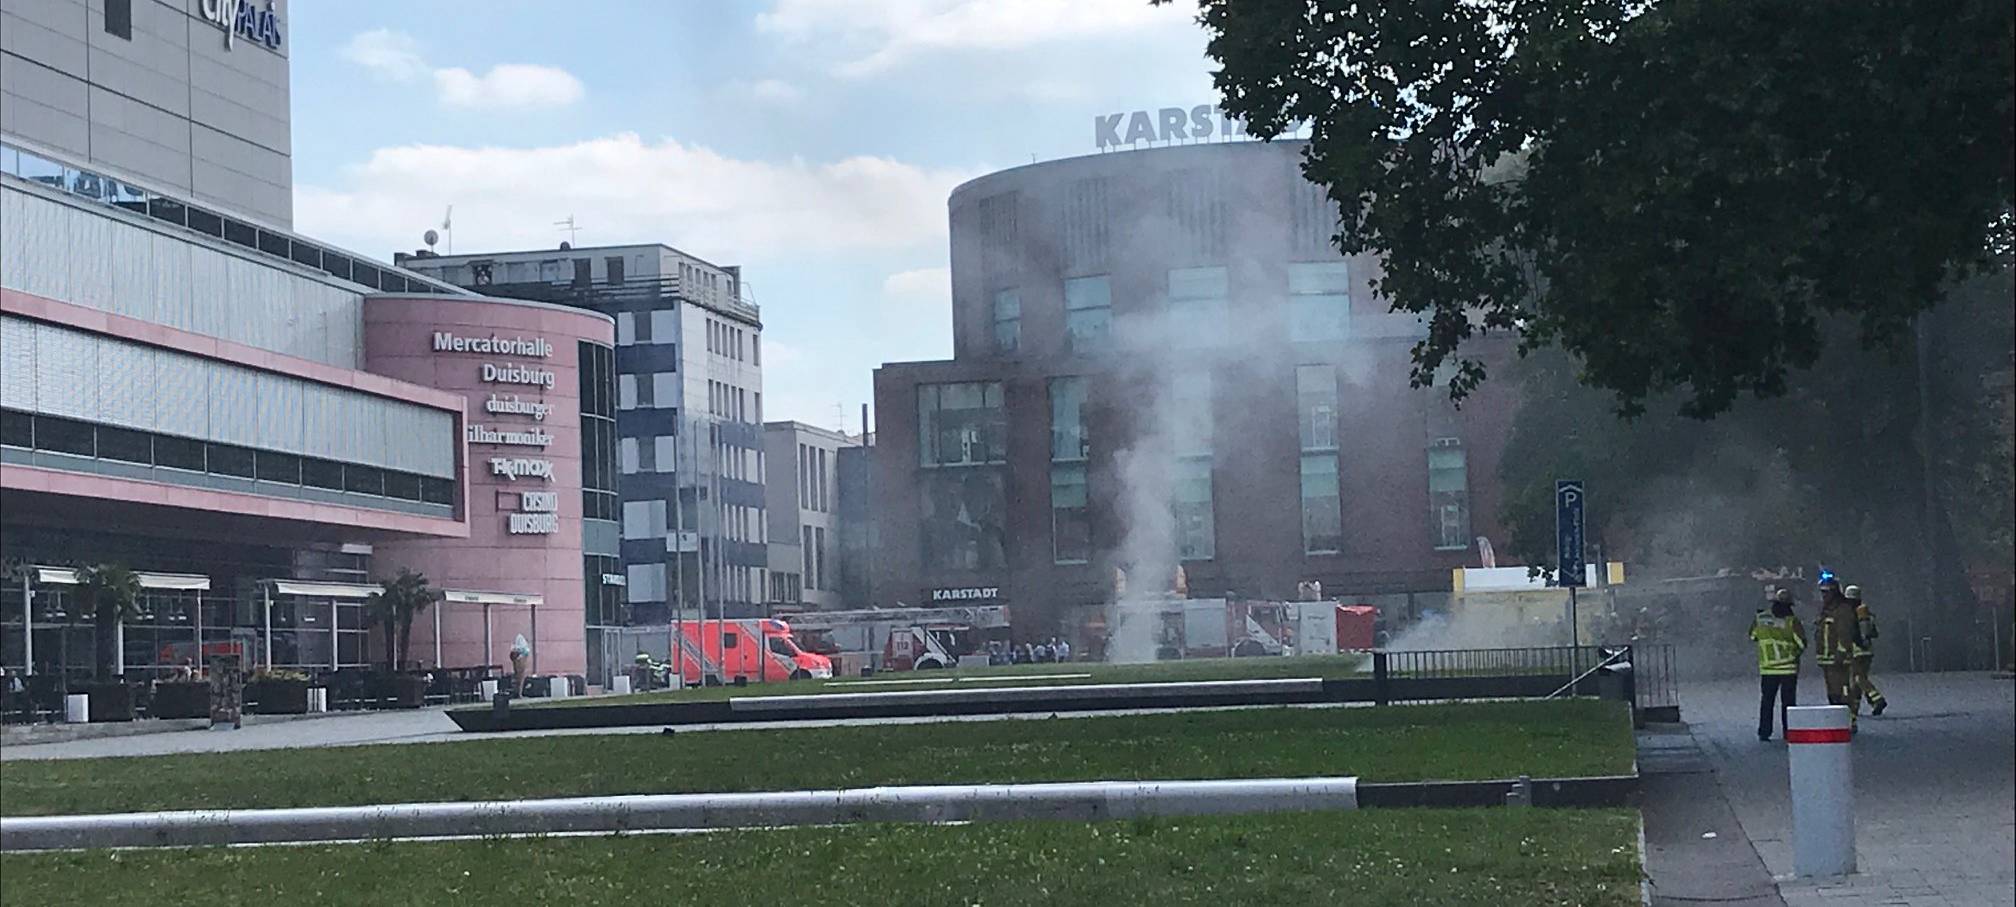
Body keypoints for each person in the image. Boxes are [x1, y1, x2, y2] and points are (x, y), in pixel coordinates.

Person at [1750, 587, 1806, 740]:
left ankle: (1764, 732)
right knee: (1788, 703)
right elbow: (1801, 643)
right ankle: (1789, 732)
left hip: (1768, 669)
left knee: (1767, 701)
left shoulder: (1761, 619)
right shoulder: (1792, 622)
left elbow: (1753, 636)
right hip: (1788, 669)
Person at [1813, 574, 1861, 729]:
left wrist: (1840, 653)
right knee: (1833, 692)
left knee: (1843, 691)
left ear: (1834, 593)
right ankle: (1837, 721)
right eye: (1822, 592)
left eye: (1826, 592)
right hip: (1827, 659)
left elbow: (1845, 633)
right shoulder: (1826, 610)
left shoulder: (1843, 610)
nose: (1824, 596)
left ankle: (1848, 721)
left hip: (1839, 659)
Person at [1845, 585, 1887, 716]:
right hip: (1867, 650)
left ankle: (1877, 698)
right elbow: (1872, 632)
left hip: (1857, 650)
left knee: (1858, 678)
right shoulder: (1865, 612)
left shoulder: (1852, 612)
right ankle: (1854, 708)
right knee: (1857, 680)